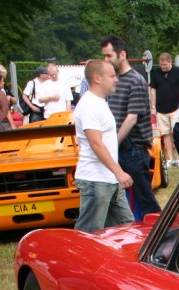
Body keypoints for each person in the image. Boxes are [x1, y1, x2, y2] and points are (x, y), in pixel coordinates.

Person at [101, 35, 160, 217]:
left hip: (133, 148)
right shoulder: (113, 81)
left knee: (145, 201)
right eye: (104, 56)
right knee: (124, 201)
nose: (106, 60)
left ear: (122, 54)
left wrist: (112, 144)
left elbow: (131, 118)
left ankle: (159, 230)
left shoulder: (135, 80)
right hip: (120, 147)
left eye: (109, 56)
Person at [72, 60, 134, 233]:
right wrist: (118, 171)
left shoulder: (100, 102)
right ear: (97, 78)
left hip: (109, 180)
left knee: (127, 229)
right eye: (112, 76)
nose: (116, 80)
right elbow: (96, 143)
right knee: (89, 233)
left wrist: (115, 174)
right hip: (95, 180)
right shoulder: (89, 105)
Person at [149, 52, 179, 166]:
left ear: (170, 62)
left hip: (176, 109)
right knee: (166, 134)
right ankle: (170, 159)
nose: (163, 67)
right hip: (161, 110)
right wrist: (153, 107)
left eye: (165, 64)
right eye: (161, 64)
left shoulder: (178, 72)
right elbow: (153, 90)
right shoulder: (156, 73)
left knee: (178, 135)